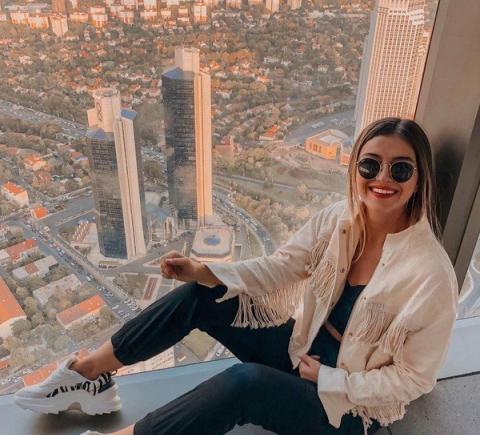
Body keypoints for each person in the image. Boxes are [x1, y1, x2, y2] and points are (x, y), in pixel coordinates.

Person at [14, 117, 458, 435]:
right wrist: (206, 271)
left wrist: (330, 380)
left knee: (246, 383)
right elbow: (280, 266)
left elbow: (415, 379)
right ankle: (87, 375)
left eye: (401, 168)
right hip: (300, 352)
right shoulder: (338, 221)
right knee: (204, 294)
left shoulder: (431, 275)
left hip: (347, 407)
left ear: (419, 178)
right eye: (370, 165)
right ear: (355, 169)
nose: (382, 178)